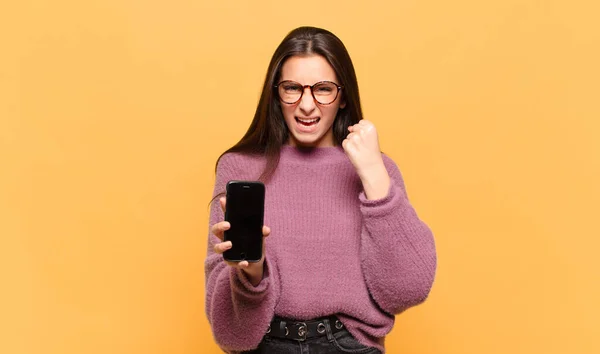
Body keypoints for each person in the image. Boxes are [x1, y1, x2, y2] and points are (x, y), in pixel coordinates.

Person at [204, 26, 437, 354]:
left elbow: (409, 289)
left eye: (323, 89)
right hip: (264, 344)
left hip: (349, 345)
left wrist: (373, 175)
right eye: (292, 88)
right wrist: (252, 276)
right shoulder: (239, 168)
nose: (307, 105)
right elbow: (231, 334)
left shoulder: (375, 169)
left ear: (342, 97)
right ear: (276, 93)